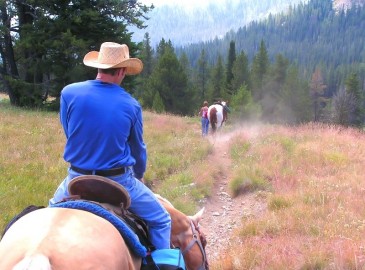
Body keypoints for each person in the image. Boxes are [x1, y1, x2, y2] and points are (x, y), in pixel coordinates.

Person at [49, 42, 171, 250]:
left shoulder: (69, 93)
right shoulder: (131, 104)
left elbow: (69, 132)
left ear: (98, 66)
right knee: (162, 220)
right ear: (123, 71)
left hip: (77, 177)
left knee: (49, 214)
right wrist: (139, 174)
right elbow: (137, 148)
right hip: (118, 181)